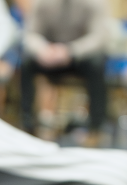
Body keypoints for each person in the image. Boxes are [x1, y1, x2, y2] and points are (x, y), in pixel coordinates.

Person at [20, 0, 111, 141]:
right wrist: (43, 49)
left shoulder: (94, 3)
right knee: (26, 63)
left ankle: (96, 127)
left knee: (97, 65)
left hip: (79, 56)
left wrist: (71, 51)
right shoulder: (41, 3)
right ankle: (28, 123)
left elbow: (99, 37)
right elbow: (30, 34)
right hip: (49, 54)